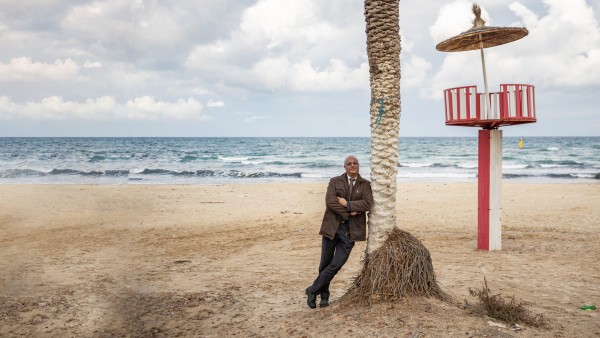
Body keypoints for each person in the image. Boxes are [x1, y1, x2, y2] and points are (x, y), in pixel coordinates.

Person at [305, 155, 373, 308]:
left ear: (359, 166)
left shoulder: (365, 185)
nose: (352, 165)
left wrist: (347, 204)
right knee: (325, 264)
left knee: (336, 264)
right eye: (349, 163)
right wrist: (349, 212)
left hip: (351, 232)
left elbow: (367, 204)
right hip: (332, 228)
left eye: (355, 163)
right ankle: (324, 297)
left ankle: (312, 290)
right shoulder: (335, 181)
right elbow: (330, 202)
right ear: (344, 167)